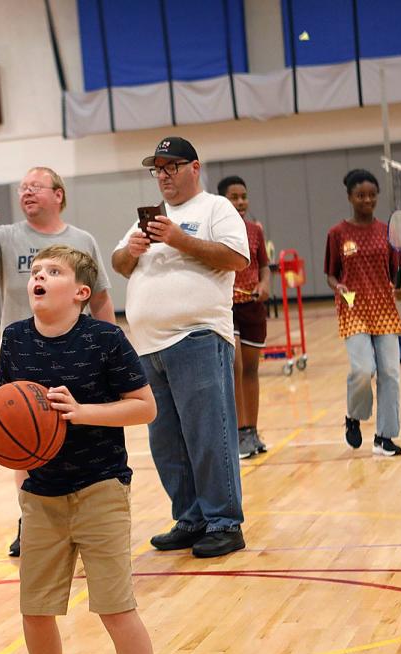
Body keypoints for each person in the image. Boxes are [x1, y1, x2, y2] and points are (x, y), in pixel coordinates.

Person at [0, 245, 170, 654]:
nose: (39, 276)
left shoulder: (105, 339)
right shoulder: (15, 339)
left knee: (115, 607)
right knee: (36, 608)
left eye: (54, 271)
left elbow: (144, 407)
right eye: (36, 270)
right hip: (41, 495)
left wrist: (82, 411)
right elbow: (5, 405)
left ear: (81, 292)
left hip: (100, 487)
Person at [0, 166, 116, 558]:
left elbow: (99, 299)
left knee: (78, 435)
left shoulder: (81, 240)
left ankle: (86, 517)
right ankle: (31, 519)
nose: (26, 192)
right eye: (22, 187)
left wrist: (110, 348)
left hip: (76, 350)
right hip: (24, 351)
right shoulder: (6, 236)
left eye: (35, 186)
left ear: (58, 194)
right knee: (25, 433)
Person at [112, 136, 249, 558]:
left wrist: (177, 238)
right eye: (158, 168)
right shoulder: (148, 220)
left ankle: (225, 522)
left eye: (172, 166)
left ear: (194, 167)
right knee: (167, 441)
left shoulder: (215, 209)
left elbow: (236, 258)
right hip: (149, 346)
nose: (164, 175)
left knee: (209, 435)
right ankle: (191, 518)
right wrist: (131, 251)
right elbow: (118, 264)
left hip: (198, 336)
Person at [324, 168, 401, 456]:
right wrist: (341, 290)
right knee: (362, 370)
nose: (367, 200)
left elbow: (395, 272)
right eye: (361, 195)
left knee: (391, 374)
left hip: (385, 309)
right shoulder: (337, 233)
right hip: (353, 308)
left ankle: (384, 437)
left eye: (372, 195)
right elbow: (331, 275)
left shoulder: (388, 231)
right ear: (350, 197)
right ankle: (354, 416)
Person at [217, 175, 271, 459]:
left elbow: (265, 266)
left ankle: (252, 430)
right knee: (235, 366)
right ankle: (238, 433)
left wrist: (264, 286)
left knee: (251, 369)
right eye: (234, 197)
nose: (240, 202)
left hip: (252, 306)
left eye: (243, 196)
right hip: (227, 307)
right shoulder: (216, 231)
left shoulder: (255, 230)